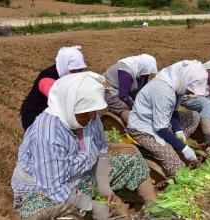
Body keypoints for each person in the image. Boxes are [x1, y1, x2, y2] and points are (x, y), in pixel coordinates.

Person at [11, 73, 156, 220]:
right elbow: (54, 188)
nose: (91, 117)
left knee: (132, 162)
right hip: (42, 192)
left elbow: (102, 149)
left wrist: (103, 184)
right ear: (69, 106)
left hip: (81, 178)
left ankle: (155, 209)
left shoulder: (90, 118)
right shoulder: (48, 134)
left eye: (94, 111)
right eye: (86, 112)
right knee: (63, 216)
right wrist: (92, 205)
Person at [126, 60, 208, 176]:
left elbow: (173, 111)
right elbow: (160, 129)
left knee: (194, 116)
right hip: (144, 129)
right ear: (185, 81)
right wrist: (183, 148)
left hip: (161, 122)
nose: (190, 93)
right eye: (190, 89)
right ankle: (173, 149)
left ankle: (173, 142)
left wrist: (179, 130)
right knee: (175, 164)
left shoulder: (175, 86)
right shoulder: (164, 92)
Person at [20, 46, 87, 131]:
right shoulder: (47, 77)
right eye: (73, 70)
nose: (77, 74)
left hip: (53, 116)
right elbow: (60, 101)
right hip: (36, 116)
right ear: (64, 65)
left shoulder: (67, 75)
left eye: (80, 70)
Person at [104, 54, 158, 123]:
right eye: (146, 74)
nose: (146, 75)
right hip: (110, 88)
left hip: (125, 88)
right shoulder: (126, 73)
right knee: (124, 108)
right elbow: (123, 95)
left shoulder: (142, 71)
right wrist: (135, 106)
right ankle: (134, 128)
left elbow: (142, 90)